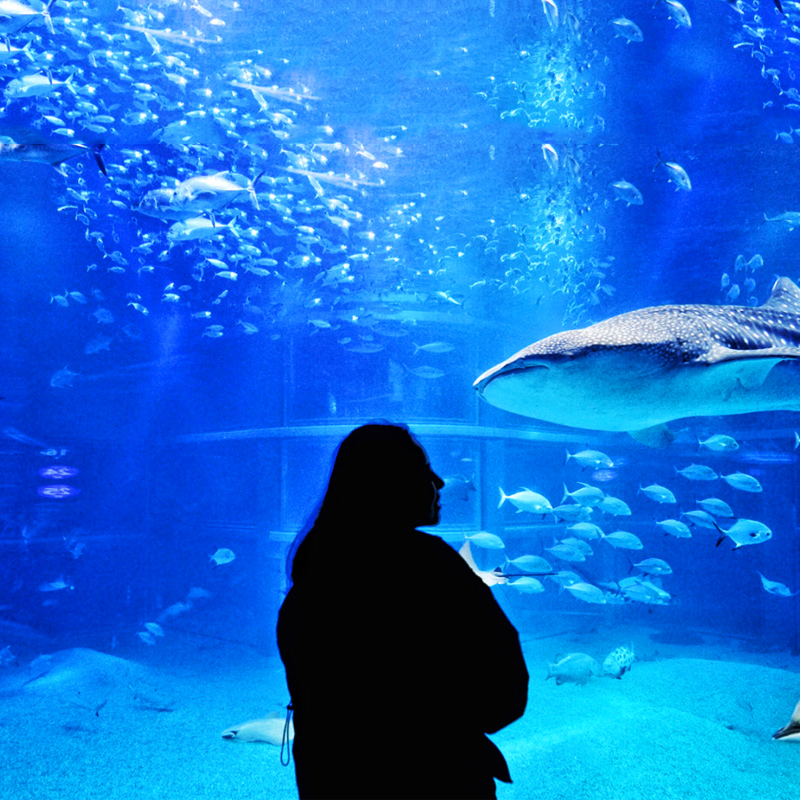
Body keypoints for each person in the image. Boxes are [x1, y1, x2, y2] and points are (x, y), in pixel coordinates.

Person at [277, 423, 528, 800]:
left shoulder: (310, 577)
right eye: (424, 469)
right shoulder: (433, 569)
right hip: (438, 780)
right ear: (390, 483)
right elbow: (504, 693)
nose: (440, 481)